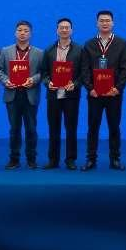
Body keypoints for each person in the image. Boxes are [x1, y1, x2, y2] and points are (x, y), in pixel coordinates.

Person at [81, 10, 126, 171]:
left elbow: (125, 68)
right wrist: (90, 88)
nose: (105, 23)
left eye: (107, 20)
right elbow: (85, 69)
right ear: (97, 23)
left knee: (114, 127)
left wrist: (117, 88)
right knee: (93, 127)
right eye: (101, 20)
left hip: (113, 94)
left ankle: (115, 159)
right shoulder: (89, 44)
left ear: (113, 23)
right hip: (94, 94)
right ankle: (91, 159)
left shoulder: (122, 43)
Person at [0, 20, 44, 169]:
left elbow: (43, 72)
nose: (22, 33)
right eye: (20, 30)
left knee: (31, 129)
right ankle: (14, 159)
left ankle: (31, 159)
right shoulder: (6, 51)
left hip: (30, 95)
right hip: (12, 94)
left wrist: (33, 80)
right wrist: (6, 81)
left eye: (26, 30)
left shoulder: (39, 53)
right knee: (14, 129)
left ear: (31, 34)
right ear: (15, 33)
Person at [41, 18, 84, 170]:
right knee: (53, 128)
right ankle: (53, 160)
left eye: (67, 27)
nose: (64, 30)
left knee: (71, 128)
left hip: (71, 96)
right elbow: (44, 72)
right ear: (57, 30)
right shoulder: (49, 50)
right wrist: (48, 82)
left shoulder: (79, 50)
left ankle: (70, 159)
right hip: (53, 95)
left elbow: (83, 73)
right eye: (61, 27)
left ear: (71, 30)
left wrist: (75, 84)